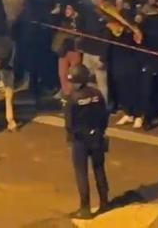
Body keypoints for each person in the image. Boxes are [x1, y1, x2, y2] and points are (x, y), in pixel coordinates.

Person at [64, 64, 110, 220]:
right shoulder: (97, 94)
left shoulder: (72, 99)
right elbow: (104, 115)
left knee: (81, 173)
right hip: (97, 137)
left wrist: (71, 137)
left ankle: (85, 208)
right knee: (99, 169)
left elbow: (69, 124)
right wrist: (100, 131)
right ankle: (104, 202)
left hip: (80, 141)